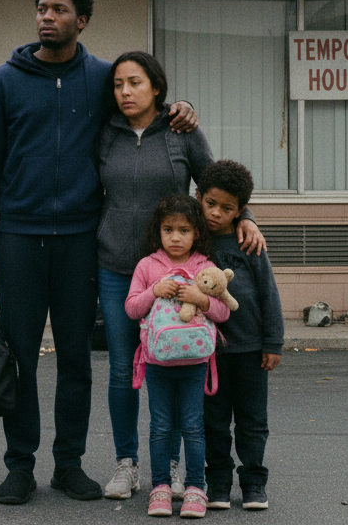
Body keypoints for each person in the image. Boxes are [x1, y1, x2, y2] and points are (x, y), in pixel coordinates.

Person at [0, 0, 198, 506]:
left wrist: (180, 108)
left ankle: (68, 463)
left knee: (74, 356)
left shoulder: (100, 80)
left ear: (81, 21)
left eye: (59, 10)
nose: (47, 17)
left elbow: (143, 107)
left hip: (78, 242)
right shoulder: (4, 82)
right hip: (19, 239)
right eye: (41, 9)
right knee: (19, 355)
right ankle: (19, 465)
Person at [96, 51, 265, 501]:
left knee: (172, 363)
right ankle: (127, 463)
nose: (125, 92)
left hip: (176, 275)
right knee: (121, 368)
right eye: (117, 85)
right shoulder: (105, 131)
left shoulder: (181, 130)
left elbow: (215, 182)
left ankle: (169, 465)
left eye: (135, 83)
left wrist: (245, 215)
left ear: (156, 87)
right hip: (118, 268)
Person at [124, 195, 230, 519]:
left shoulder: (205, 266)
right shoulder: (147, 265)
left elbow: (223, 311)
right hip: (157, 362)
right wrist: (154, 290)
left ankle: (196, 489)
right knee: (160, 427)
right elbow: (131, 308)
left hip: (195, 364)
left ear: (196, 232)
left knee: (193, 426)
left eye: (184, 230)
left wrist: (200, 298)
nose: (175, 237)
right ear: (158, 231)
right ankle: (161, 488)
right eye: (168, 229)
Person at [196, 160, 284, 511]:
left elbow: (268, 293)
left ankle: (253, 483)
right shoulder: (193, 241)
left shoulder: (249, 242)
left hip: (250, 349)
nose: (216, 213)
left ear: (240, 211)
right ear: (199, 198)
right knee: (213, 421)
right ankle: (217, 481)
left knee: (252, 421)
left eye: (227, 208)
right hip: (206, 352)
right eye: (210, 204)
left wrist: (273, 342)